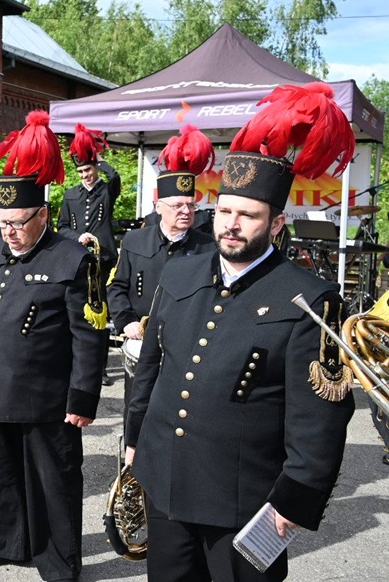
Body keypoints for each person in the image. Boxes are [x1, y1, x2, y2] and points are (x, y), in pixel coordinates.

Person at [126, 82, 357, 581]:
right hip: (165, 481)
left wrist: (297, 495)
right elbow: (150, 369)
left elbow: (320, 416)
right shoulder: (181, 273)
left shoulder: (309, 299)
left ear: (276, 223)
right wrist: (132, 441)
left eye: (248, 216)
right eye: (225, 211)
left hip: (245, 500)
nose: (231, 225)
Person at [0, 110, 105, 581]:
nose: (9, 231)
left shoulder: (72, 258)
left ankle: (59, 560)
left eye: (19, 222)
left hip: (46, 397)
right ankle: (8, 541)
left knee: (54, 482)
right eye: (2, 221)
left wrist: (83, 398)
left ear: (43, 215)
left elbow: (90, 335)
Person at [107, 125, 215, 427]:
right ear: (158, 207)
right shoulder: (134, 241)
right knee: (137, 411)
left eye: (191, 205)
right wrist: (126, 320)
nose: (186, 211)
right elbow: (117, 287)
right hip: (142, 344)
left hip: (189, 350)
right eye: (177, 205)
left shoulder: (208, 247)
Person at [58, 123, 119, 386]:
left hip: (103, 260)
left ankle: (101, 367)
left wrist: (99, 159)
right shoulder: (71, 194)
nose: (85, 175)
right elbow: (61, 226)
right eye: (81, 171)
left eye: (88, 169)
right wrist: (76, 237)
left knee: (100, 311)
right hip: (78, 258)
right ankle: (76, 361)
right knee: (76, 310)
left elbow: (115, 177)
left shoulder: (107, 189)